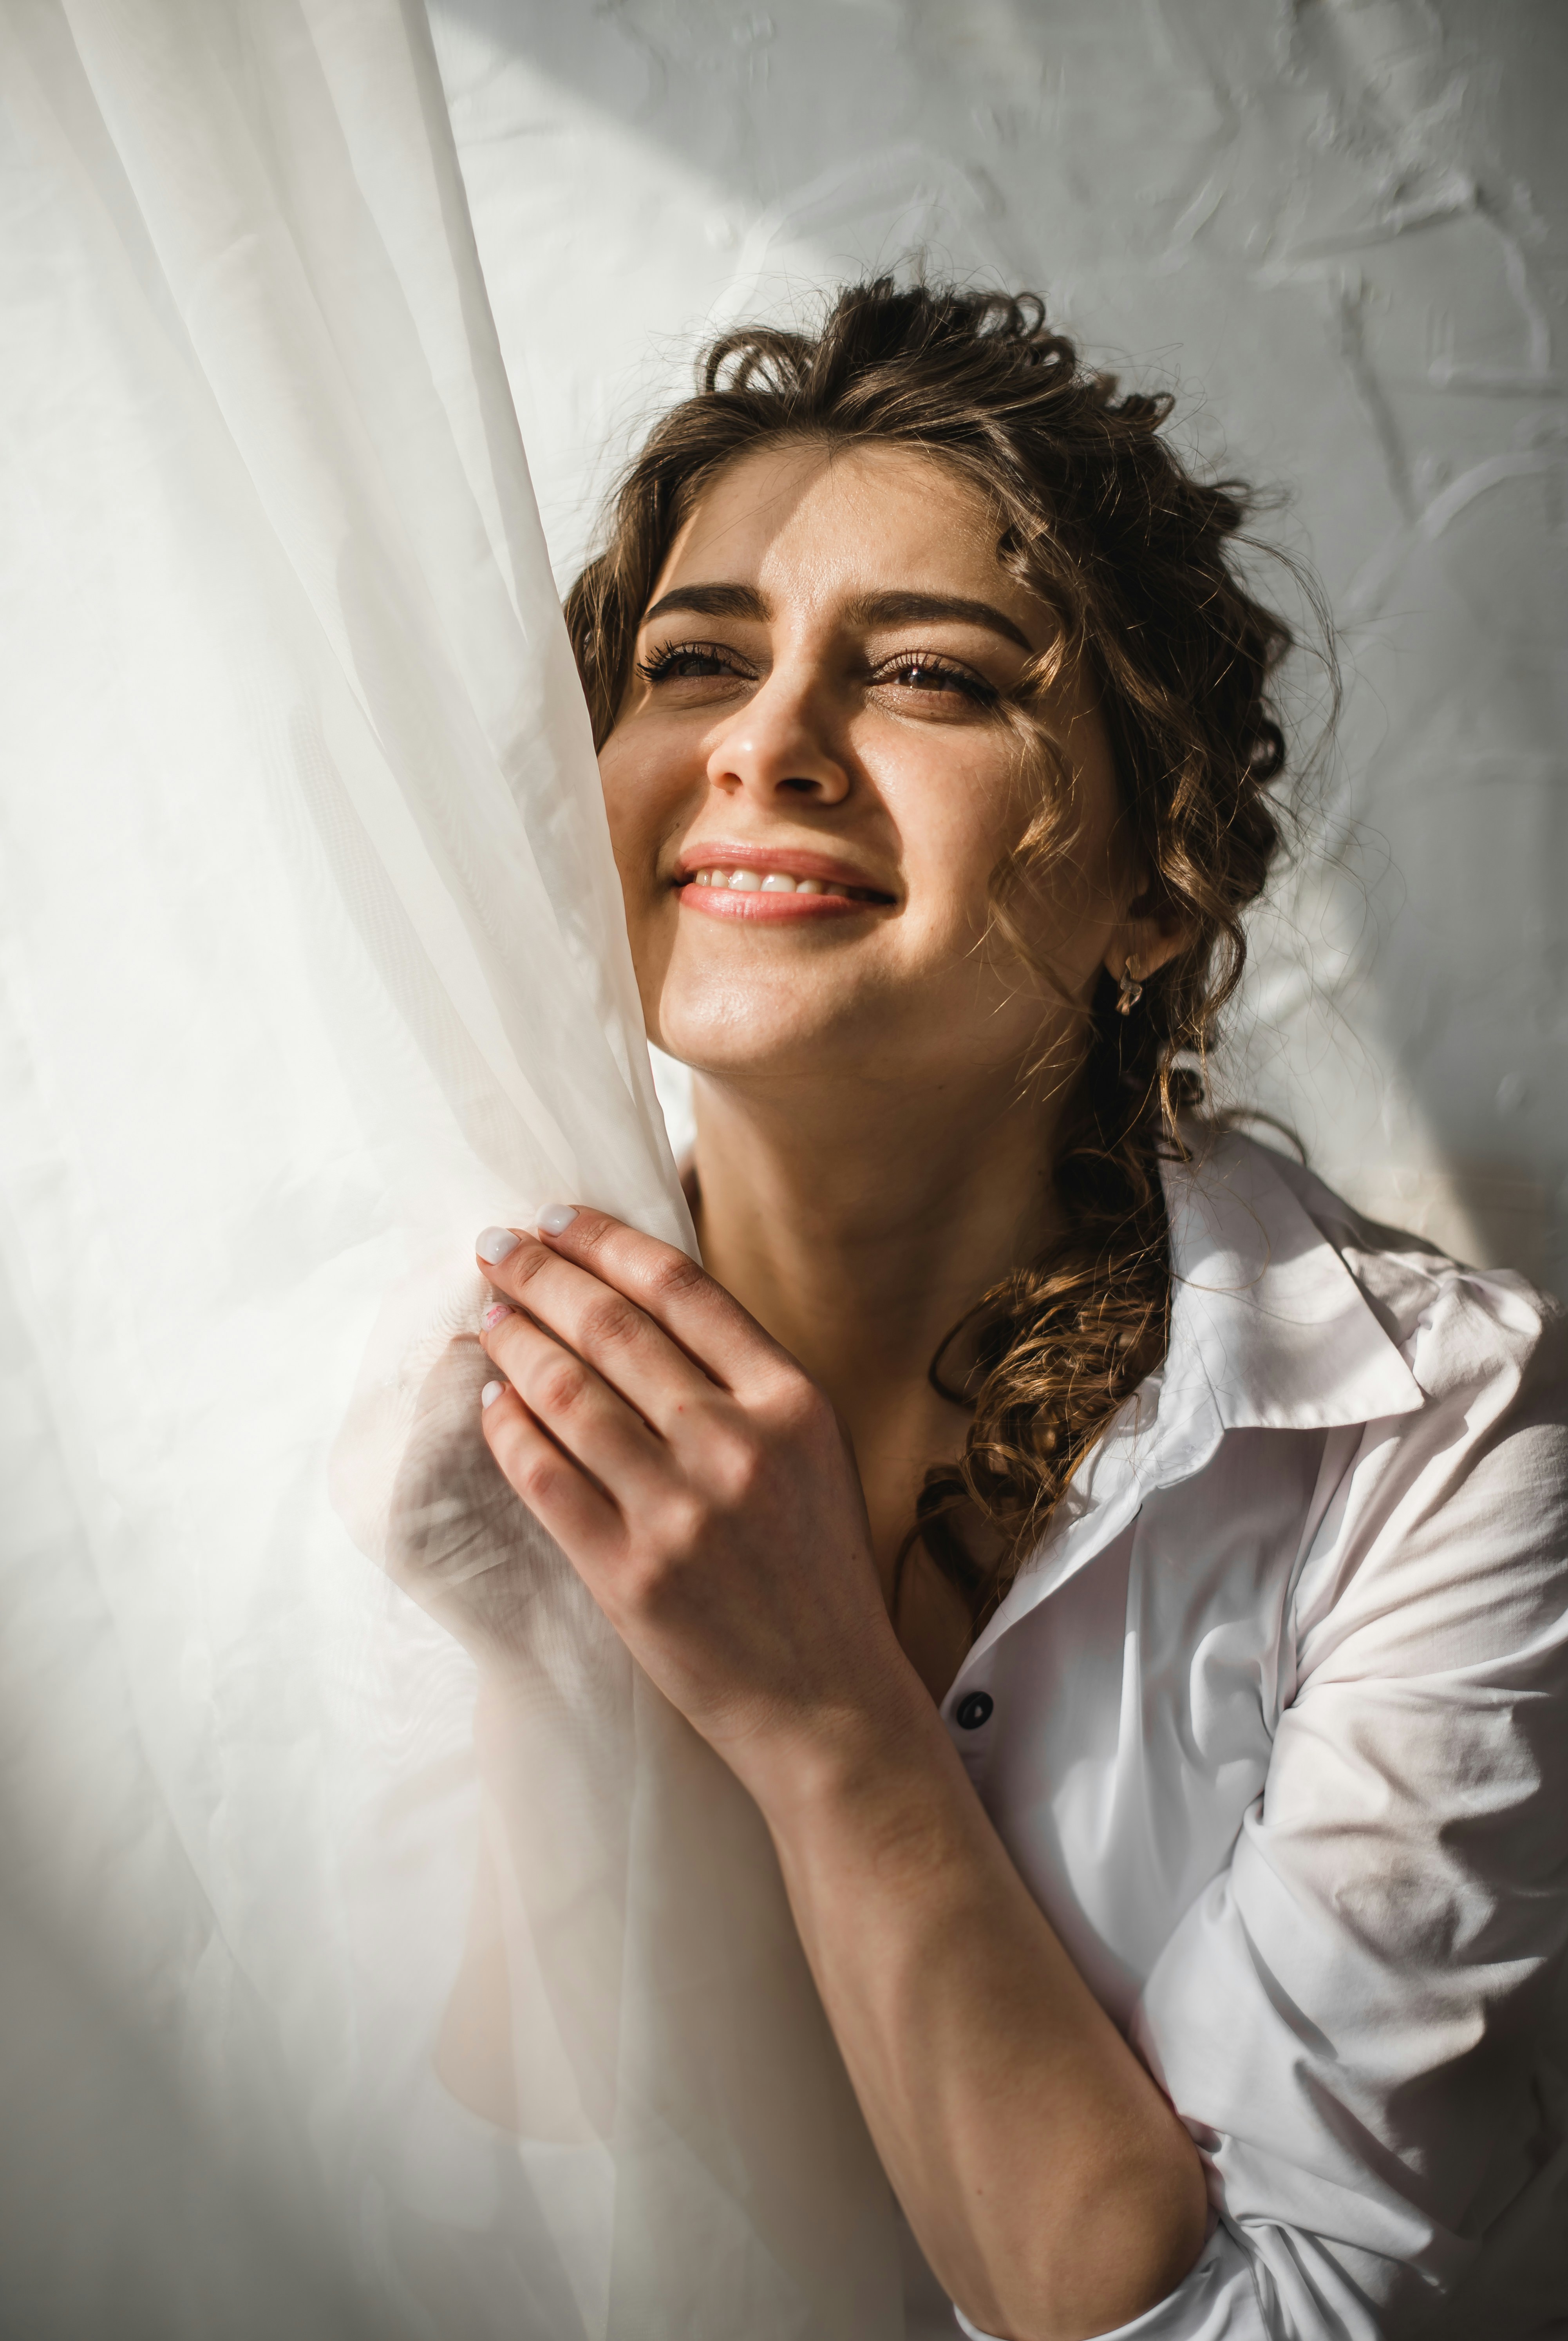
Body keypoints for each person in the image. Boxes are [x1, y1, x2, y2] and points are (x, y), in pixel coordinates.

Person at [407, 284, 1568, 2340]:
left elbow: (1285, 2320)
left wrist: (827, 1720)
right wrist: (536, 1672)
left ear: (1156, 883)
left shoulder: (1437, 1439)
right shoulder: (438, 1385)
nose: (764, 743)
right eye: (692, 662)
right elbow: (471, 2211)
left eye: (929, 675)